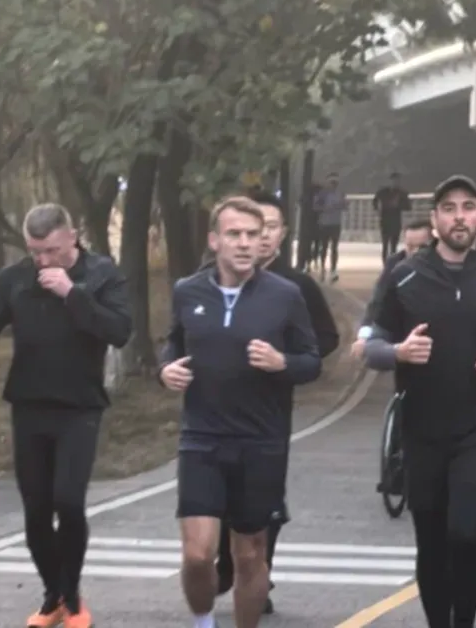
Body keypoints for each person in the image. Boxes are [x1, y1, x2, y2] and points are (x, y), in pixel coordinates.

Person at [363, 175, 476, 628]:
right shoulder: (404, 274)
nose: (459, 216)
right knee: (431, 538)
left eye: (468, 207)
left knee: (466, 532)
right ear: (436, 218)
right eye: (449, 208)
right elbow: (372, 345)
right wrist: (398, 352)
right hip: (423, 428)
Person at [0, 203, 132, 628]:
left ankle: (72, 598)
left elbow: (119, 330)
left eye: (51, 250)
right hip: (30, 405)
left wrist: (72, 293)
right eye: (35, 251)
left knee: (68, 502)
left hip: (79, 407)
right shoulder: (15, 279)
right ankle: (53, 594)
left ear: (72, 237)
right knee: (36, 510)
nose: (43, 261)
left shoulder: (102, 274)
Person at [159, 195, 322, 628]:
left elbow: (312, 360)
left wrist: (282, 362)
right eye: (235, 234)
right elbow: (174, 341)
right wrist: (165, 368)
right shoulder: (187, 291)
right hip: (202, 437)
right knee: (197, 554)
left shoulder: (286, 296)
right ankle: (203, 622)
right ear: (215, 240)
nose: (246, 243)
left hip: (260, 441)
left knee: (249, 554)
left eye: (254, 234)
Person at [213, 189, 341, 615]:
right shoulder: (209, 280)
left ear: (283, 234)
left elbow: (326, 339)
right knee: (215, 493)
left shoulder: (296, 287)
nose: (262, 237)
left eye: (271, 228)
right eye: (255, 227)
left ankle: (259, 574)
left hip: (269, 410)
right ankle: (226, 561)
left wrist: (286, 361)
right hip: (215, 409)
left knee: (265, 500)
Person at [351, 219, 434, 359]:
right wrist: (364, 337)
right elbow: (378, 300)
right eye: (410, 246)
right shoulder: (395, 263)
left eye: (422, 247)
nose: (414, 252)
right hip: (401, 332)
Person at [312, 172, 347, 282]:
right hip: (324, 223)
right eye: (332, 182)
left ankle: (333, 269)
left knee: (334, 248)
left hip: (336, 223)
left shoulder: (340, 194)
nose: (333, 184)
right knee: (324, 246)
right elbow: (315, 206)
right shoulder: (322, 194)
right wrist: (325, 208)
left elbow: (345, 206)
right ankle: (323, 267)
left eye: (335, 183)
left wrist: (342, 205)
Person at [373, 172, 412, 262]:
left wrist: (398, 205)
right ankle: (385, 264)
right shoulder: (383, 192)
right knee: (385, 244)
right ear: (390, 181)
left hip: (396, 221)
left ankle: (392, 265)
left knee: (394, 245)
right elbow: (375, 201)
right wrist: (377, 208)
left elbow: (408, 207)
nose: (395, 182)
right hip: (385, 220)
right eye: (393, 180)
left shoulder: (402, 193)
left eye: (397, 181)